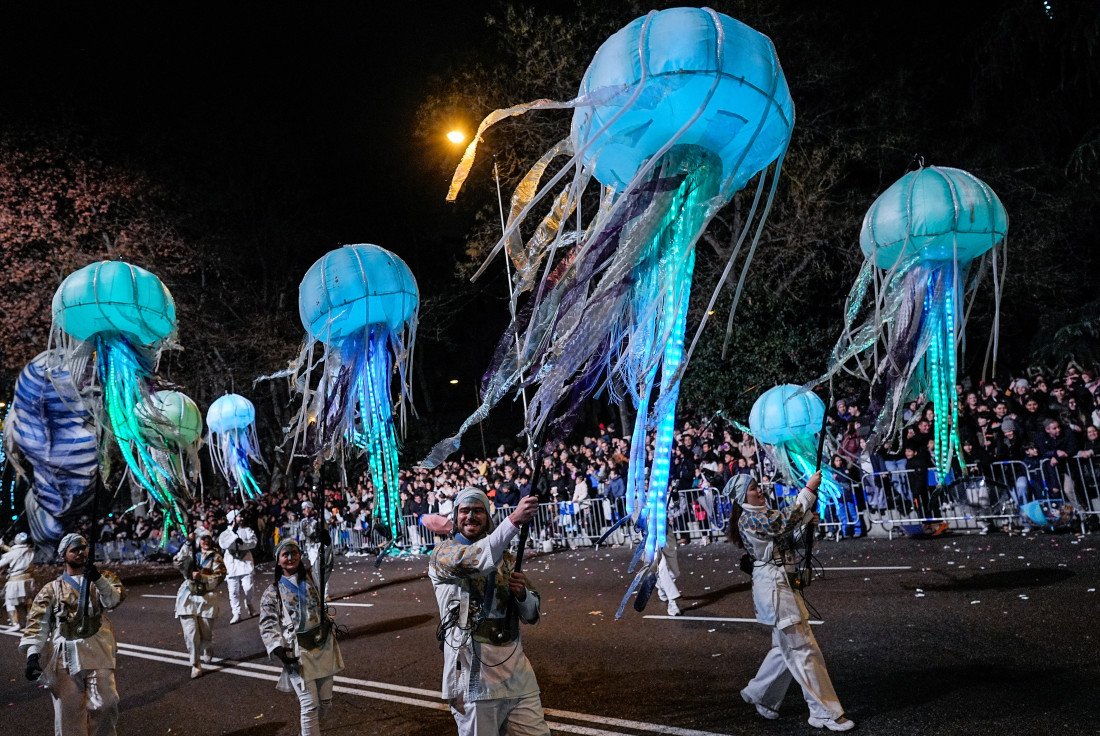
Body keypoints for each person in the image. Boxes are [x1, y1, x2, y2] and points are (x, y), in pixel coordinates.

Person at [730, 473, 855, 732]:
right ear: (743, 497)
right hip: (774, 590)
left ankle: (761, 694)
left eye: (758, 486)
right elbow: (783, 521)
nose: (759, 490)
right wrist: (808, 491)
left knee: (784, 649)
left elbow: (787, 539)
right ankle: (823, 713)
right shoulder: (750, 518)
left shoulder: (763, 514)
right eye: (753, 489)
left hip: (782, 585)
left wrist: (806, 523)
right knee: (804, 650)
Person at [429, 488, 549, 736]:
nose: (471, 516)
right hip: (474, 679)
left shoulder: (506, 559)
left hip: (518, 676)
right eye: (464, 511)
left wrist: (522, 595)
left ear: (488, 517)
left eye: (478, 510)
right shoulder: (444, 555)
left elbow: (532, 614)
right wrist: (514, 520)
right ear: (456, 516)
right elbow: (476, 559)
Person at [20, 533, 126, 735]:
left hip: (98, 650)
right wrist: (32, 656)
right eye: (74, 549)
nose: (80, 552)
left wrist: (98, 579)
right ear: (63, 555)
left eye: (83, 547)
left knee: (107, 704)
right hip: (65, 656)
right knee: (68, 714)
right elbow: (37, 623)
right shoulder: (51, 589)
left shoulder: (103, 578)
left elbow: (113, 601)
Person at [259, 538, 344, 736]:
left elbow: (326, 563)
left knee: (325, 703)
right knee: (309, 706)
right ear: (278, 561)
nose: (290, 557)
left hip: (323, 647)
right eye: (285, 554)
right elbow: (267, 623)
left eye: (294, 553)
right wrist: (278, 649)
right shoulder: (272, 592)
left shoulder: (313, 577)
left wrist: (326, 544)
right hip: (297, 653)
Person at [174, 527, 227, 678]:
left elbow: (219, 576)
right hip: (188, 597)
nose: (205, 541)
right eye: (202, 539)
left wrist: (202, 577)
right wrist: (187, 542)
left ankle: (207, 647)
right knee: (190, 634)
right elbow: (178, 561)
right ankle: (195, 664)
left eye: (208, 539)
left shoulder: (216, 557)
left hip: (206, 599)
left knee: (206, 633)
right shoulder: (191, 553)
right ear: (198, 541)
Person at [219, 509, 258, 623]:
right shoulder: (226, 533)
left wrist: (243, 544)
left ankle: (249, 604)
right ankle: (236, 613)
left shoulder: (247, 530)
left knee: (248, 588)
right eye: (239, 516)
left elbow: (253, 543)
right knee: (233, 591)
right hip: (232, 564)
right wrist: (233, 534)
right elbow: (224, 545)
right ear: (233, 519)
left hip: (245, 563)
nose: (242, 518)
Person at [1, 531, 35, 630]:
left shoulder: (12, 553)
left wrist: (2, 546)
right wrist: (2, 546)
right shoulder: (29, 551)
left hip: (15, 581)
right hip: (28, 580)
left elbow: (4, 561)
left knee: (10, 602)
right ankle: (27, 623)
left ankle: (15, 623)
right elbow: (18, 553)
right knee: (25, 602)